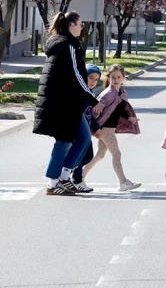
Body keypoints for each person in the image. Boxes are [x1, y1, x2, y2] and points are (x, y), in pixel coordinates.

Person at [33, 11, 102, 196]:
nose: (82, 28)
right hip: (61, 102)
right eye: (80, 24)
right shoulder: (67, 45)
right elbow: (78, 76)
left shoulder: (64, 43)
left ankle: (64, 177)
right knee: (63, 141)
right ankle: (52, 183)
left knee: (83, 139)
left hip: (68, 102)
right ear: (72, 25)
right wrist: (92, 98)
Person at [80, 65, 141, 191]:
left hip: (110, 128)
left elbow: (120, 109)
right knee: (116, 154)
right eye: (113, 77)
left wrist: (129, 117)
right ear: (108, 78)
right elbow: (95, 111)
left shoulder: (122, 93)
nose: (116, 80)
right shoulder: (107, 94)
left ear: (123, 78)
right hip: (105, 128)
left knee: (100, 155)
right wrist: (94, 127)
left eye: (119, 77)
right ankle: (123, 182)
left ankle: (79, 176)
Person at [70, 64, 104, 191]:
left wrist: (96, 127)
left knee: (87, 156)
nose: (93, 82)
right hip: (78, 132)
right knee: (79, 156)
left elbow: (90, 114)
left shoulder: (90, 94)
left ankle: (73, 178)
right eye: (90, 78)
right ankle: (76, 180)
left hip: (87, 131)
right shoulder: (80, 94)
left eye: (96, 80)